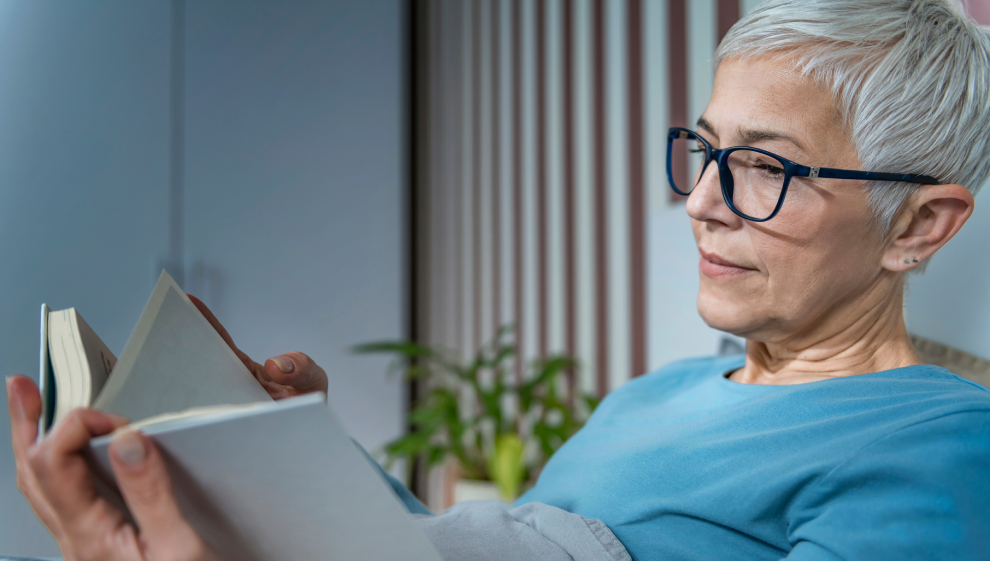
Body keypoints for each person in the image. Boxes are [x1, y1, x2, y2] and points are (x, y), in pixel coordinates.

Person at [7, 0, 990, 559]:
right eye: (704, 150)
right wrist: (297, 451)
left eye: (767, 168)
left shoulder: (941, 444)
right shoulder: (658, 393)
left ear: (919, 223)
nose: (701, 202)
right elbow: (449, 546)